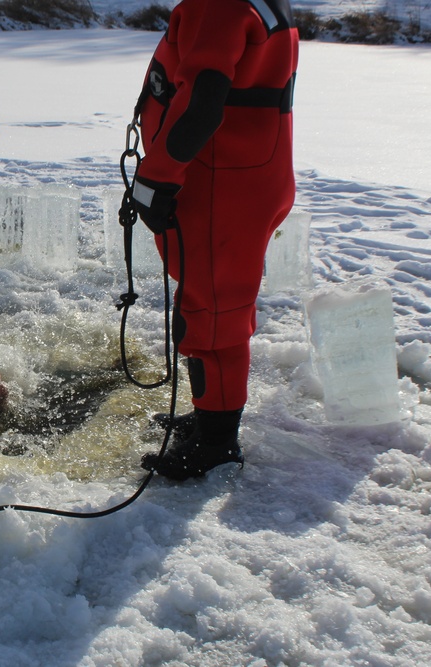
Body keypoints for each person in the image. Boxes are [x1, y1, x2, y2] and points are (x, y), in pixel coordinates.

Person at [129, 0, 299, 480]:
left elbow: (202, 99)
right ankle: (211, 414)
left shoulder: (219, 3)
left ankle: (217, 444)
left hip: (222, 179)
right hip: (244, 173)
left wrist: (156, 178)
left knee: (210, 312)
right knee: (213, 300)